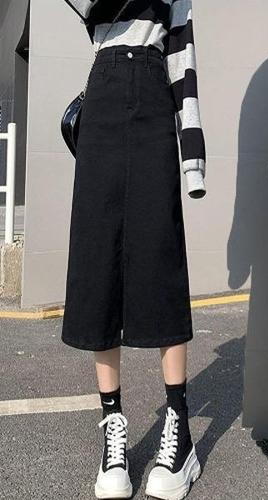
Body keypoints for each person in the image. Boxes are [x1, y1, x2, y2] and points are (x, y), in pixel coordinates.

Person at [61, 1, 206, 498]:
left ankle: (179, 428)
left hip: (154, 90)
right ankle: (113, 430)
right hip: (102, 91)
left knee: (161, 258)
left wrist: (193, 156)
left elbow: (183, 53)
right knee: (98, 259)